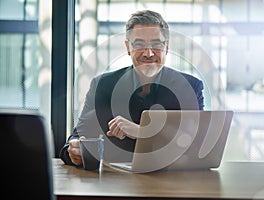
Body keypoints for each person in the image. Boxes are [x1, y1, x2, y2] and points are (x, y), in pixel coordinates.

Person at [59, 10, 205, 166]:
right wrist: (74, 150)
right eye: (139, 45)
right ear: (128, 48)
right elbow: (77, 137)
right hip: (114, 185)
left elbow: (199, 149)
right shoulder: (103, 85)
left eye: (156, 45)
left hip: (170, 184)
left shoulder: (190, 87)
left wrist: (142, 132)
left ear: (167, 47)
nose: (148, 53)